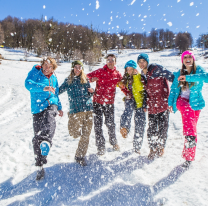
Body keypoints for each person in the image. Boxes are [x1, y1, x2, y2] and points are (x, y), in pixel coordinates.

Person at [25, 57, 63, 180]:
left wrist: (60, 107)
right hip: (37, 107)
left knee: (50, 118)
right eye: (45, 65)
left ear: (53, 68)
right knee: (37, 137)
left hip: (51, 103)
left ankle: (46, 140)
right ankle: (40, 164)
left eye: (50, 66)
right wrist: (43, 87)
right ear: (42, 65)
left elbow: (56, 94)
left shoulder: (54, 78)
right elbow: (28, 84)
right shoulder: (35, 72)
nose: (47, 68)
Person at [169, 50, 207, 168]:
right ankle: (190, 138)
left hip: (195, 102)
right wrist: (170, 103)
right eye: (185, 57)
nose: (188, 59)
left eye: (190, 57)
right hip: (182, 101)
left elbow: (206, 78)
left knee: (192, 128)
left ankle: (188, 157)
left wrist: (188, 78)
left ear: (193, 59)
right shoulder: (178, 73)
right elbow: (174, 90)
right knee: (190, 127)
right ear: (183, 61)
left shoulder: (199, 70)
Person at [138, 53, 174, 160]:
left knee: (163, 128)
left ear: (147, 62)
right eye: (139, 62)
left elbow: (172, 77)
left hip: (163, 104)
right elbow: (145, 92)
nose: (141, 63)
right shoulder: (142, 75)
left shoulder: (156, 69)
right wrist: (145, 103)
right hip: (152, 106)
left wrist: (172, 99)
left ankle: (161, 147)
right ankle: (153, 148)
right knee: (151, 129)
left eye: (143, 61)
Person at [59, 60, 94, 166]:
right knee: (74, 133)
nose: (78, 69)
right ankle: (71, 121)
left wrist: (92, 91)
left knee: (86, 135)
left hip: (88, 110)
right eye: (76, 67)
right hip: (76, 110)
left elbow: (89, 93)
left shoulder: (85, 79)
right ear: (72, 68)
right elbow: (59, 91)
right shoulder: (69, 80)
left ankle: (80, 156)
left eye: (80, 67)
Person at [87, 54, 122, 155]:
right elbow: (86, 77)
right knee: (98, 125)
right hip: (97, 102)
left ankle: (114, 142)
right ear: (106, 62)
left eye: (112, 60)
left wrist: (127, 92)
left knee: (110, 124)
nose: (110, 62)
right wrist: (91, 79)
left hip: (109, 103)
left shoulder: (117, 74)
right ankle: (101, 146)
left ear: (115, 62)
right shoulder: (100, 71)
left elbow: (124, 85)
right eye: (108, 60)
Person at [118, 60, 146, 154]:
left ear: (135, 69)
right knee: (127, 111)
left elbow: (139, 88)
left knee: (140, 124)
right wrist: (126, 94)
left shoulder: (139, 77)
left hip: (140, 103)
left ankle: (137, 147)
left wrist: (136, 76)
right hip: (130, 100)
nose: (129, 71)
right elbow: (124, 88)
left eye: (131, 69)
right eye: (127, 69)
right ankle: (124, 127)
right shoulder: (126, 78)